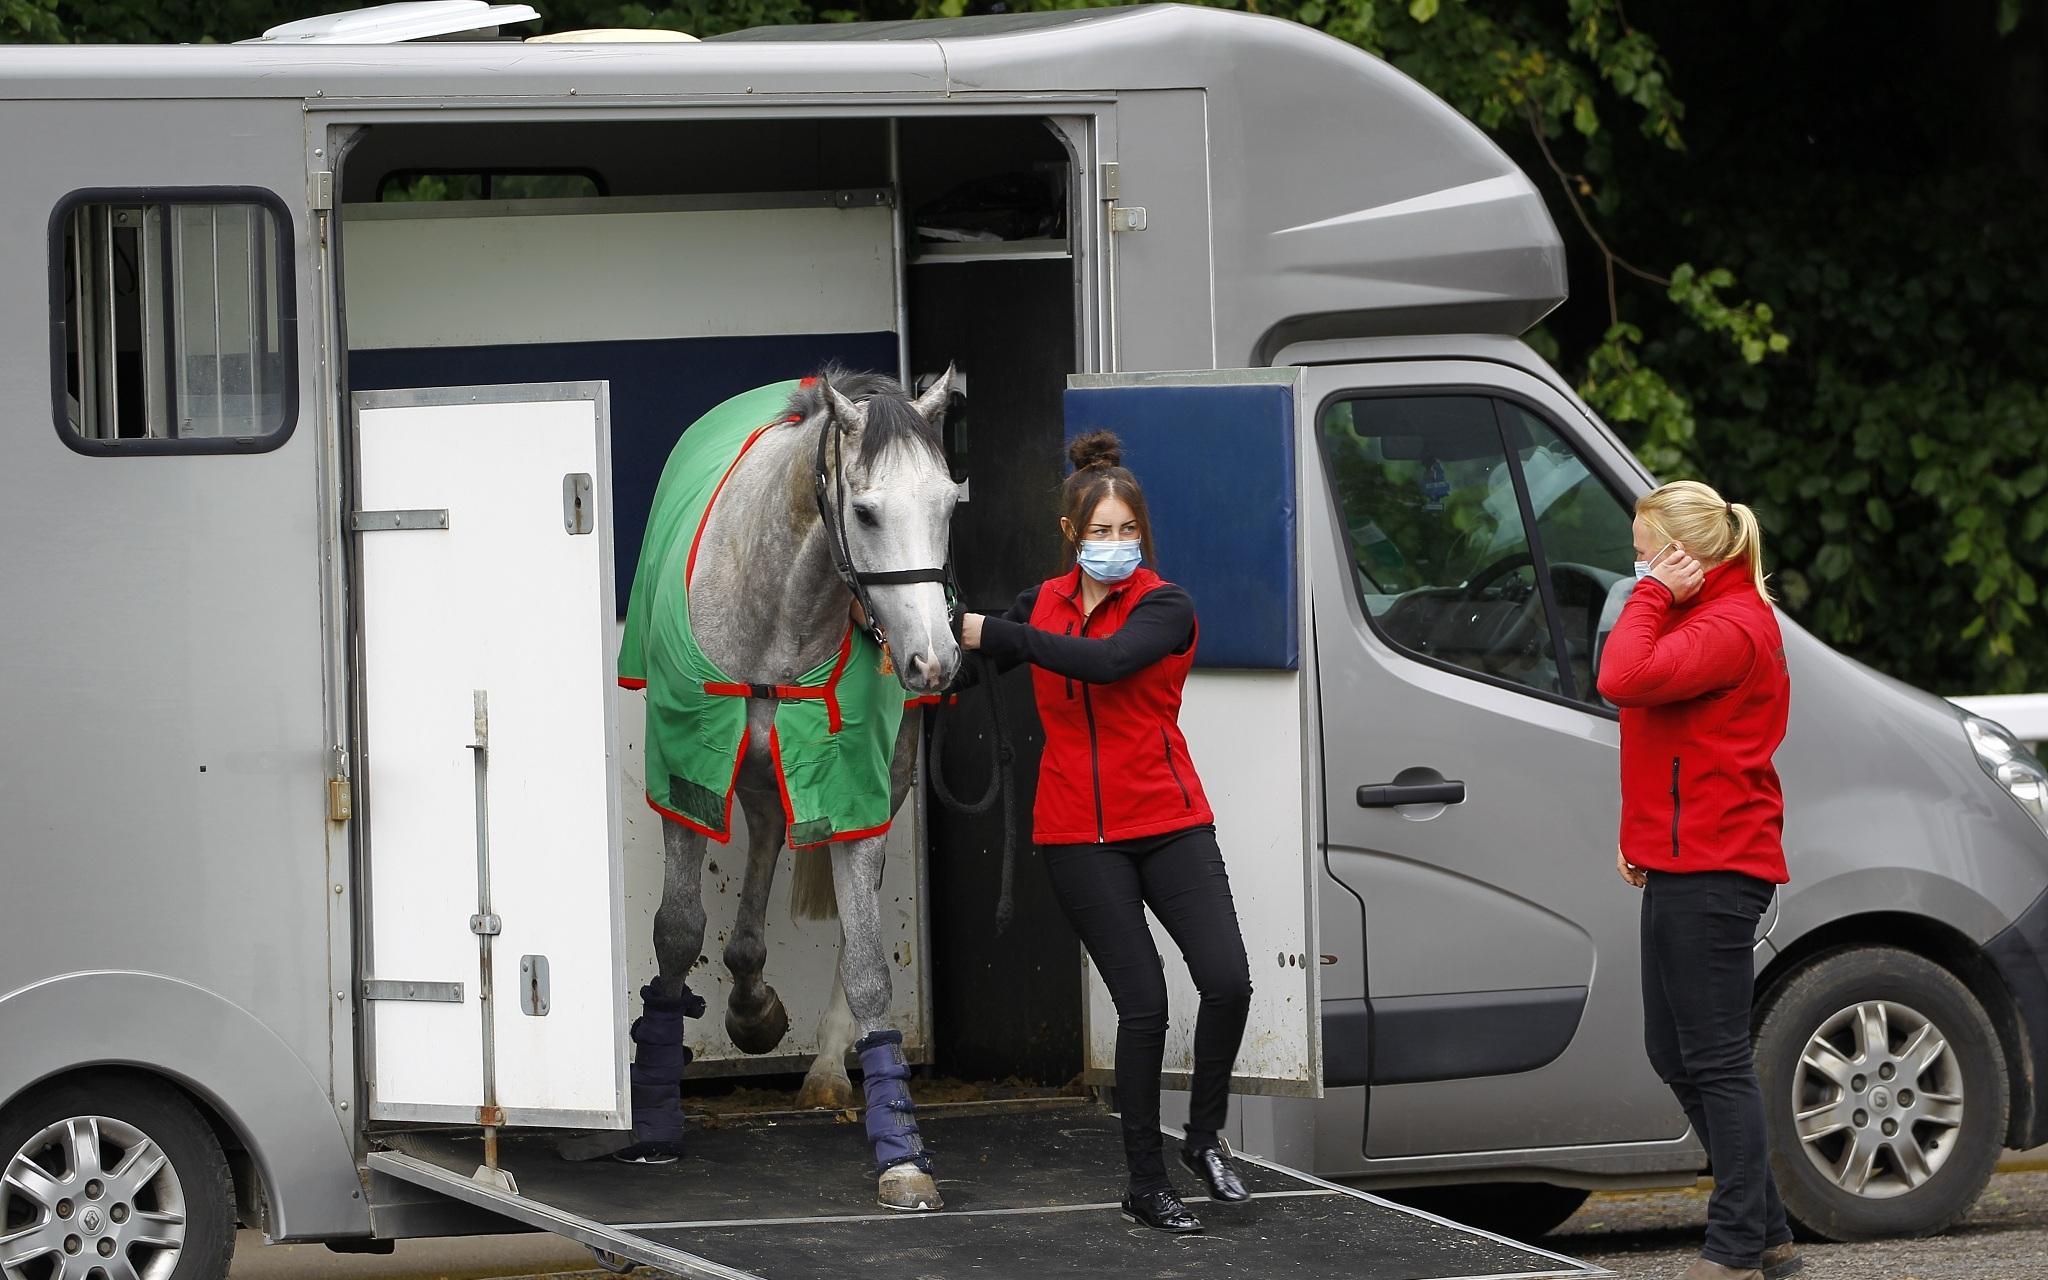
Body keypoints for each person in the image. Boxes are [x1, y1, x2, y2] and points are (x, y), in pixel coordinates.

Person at [959, 430, 1255, 1235]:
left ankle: (1202, 1137)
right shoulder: (1041, 604)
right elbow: (962, 667)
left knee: (1229, 980)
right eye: (1101, 532)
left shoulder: (1165, 605)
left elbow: (1108, 663)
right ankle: (1145, 1183)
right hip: (1077, 836)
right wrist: (909, 629)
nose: (1117, 545)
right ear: (1070, 534)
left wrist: (994, 632)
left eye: (1129, 531)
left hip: (1169, 822)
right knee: (1145, 1004)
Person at [1597, 479, 1803, 1280]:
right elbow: (1659, 726)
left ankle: (1732, 1251)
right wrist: (1640, 834)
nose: (1636, 570)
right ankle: (1769, 1232)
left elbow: (1622, 677)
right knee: (1673, 1051)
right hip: (1686, 857)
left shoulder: (1728, 625)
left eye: (1646, 554)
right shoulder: (1700, 616)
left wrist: (1650, 596)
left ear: (1684, 554)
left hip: (1718, 864)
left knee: (1714, 1060)